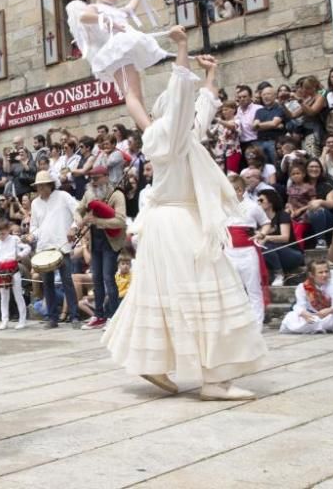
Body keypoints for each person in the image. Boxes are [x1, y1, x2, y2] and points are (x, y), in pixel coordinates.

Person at [102, 26, 266, 401]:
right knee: (206, 292)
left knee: (164, 294)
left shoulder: (180, 136)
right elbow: (178, 101)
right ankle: (213, 379)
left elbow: (186, 105)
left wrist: (209, 75)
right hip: (178, 224)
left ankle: (155, 361)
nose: (188, 110)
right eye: (181, 109)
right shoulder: (167, 136)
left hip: (171, 223)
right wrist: (181, 47)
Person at [66, 0, 167, 128]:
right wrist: (106, 20)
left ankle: (147, 128)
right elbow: (84, 17)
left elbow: (130, 9)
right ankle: (149, 130)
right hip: (115, 54)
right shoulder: (95, 8)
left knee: (137, 93)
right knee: (131, 93)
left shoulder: (115, 10)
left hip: (124, 53)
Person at [26, 170, 82, 329]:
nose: (41, 189)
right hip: (43, 248)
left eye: (43, 186)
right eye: (38, 186)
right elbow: (34, 227)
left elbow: (78, 212)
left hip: (61, 246)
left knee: (67, 282)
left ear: (50, 185)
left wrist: (74, 228)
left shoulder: (63, 196)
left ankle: (75, 316)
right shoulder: (35, 203)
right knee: (47, 284)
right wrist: (32, 237)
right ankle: (52, 318)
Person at [78, 165, 128, 329]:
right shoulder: (89, 193)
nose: (94, 182)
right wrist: (79, 220)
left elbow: (120, 221)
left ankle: (114, 316)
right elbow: (78, 210)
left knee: (108, 278)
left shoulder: (117, 195)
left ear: (106, 177)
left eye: (97, 179)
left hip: (111, 241)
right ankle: (99, 316)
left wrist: (97, 222)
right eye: (92, 179)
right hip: (95, 241)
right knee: (97, 279)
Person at [225, 173, 269, 329]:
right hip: (229, 252)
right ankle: (235, 323)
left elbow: (265, 223)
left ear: (239, 190)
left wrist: (262, 233)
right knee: (231, 289)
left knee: (253, 289)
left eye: (232, 190)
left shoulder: (253, 206)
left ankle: (257, 324)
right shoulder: (221, 206)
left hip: (248, 252)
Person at [281, 260, 333, 334]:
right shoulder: (302, 287)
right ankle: (322, 327)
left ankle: (312, 328)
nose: (324, 275)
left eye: (326, 271)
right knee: (290, 316)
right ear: (311, 275)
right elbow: (299, 306)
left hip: (329, 316)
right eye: (320, 272)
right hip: (311, 317)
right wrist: (304, 314)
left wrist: (329, 310)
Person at [256, 189, 304, 286]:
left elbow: (285, 237)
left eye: (261, 200)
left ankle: (279, 274)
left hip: (292, 254)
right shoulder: (260, 219)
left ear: (270, 202)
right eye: (257, 201)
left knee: (266, 245)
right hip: (272, 254)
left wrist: (267, 237)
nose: (258, 203)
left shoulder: (282, 215)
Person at [253, 85, 285, 164]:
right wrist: (272, 125)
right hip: (260, 142)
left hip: (274, 142)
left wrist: (260, 125)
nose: (266, 97)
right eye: (264, 95)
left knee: (276, 165)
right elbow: (254, 126)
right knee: (263, 166)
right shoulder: (259, 111)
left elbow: (274, 123)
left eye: (268, 94)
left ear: (275, 96)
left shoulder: (280, 109)